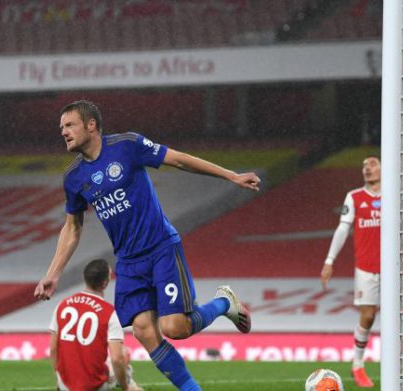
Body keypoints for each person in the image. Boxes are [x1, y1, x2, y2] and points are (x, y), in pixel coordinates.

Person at [35, 100, 260, 390]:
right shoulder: (74, 177)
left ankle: (224, 303)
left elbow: (177, 159)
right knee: (143, 330)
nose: (63, 132)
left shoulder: (127, 146)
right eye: (61, 127)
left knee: (174, 328)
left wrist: (231, 175)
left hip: (160, 248)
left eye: (69, 125)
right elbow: (72, 226)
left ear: (91, 125)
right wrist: (53, 274)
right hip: (128, 262)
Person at [320, 155, 403, 388]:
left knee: (396, 320)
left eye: (373, 164)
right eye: (364, 165)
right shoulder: (354, 197)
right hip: (365, 268)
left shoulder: (398, 195)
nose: (367, 168)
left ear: (384, 169)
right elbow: (342, 229)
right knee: (368, 315)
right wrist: (329, 260)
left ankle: (398, 375)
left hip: (392, 269)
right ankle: (357, 365)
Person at [49, 259, 143, 391]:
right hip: (94, 385)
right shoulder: (109, 313)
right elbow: (116, 358)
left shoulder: (62, 306)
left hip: (66, 384)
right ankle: (130, 386)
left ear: (84, 278)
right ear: (105, 283)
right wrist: (125, 386)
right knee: (123, 353)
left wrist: (59, 379)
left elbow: (53, 349)